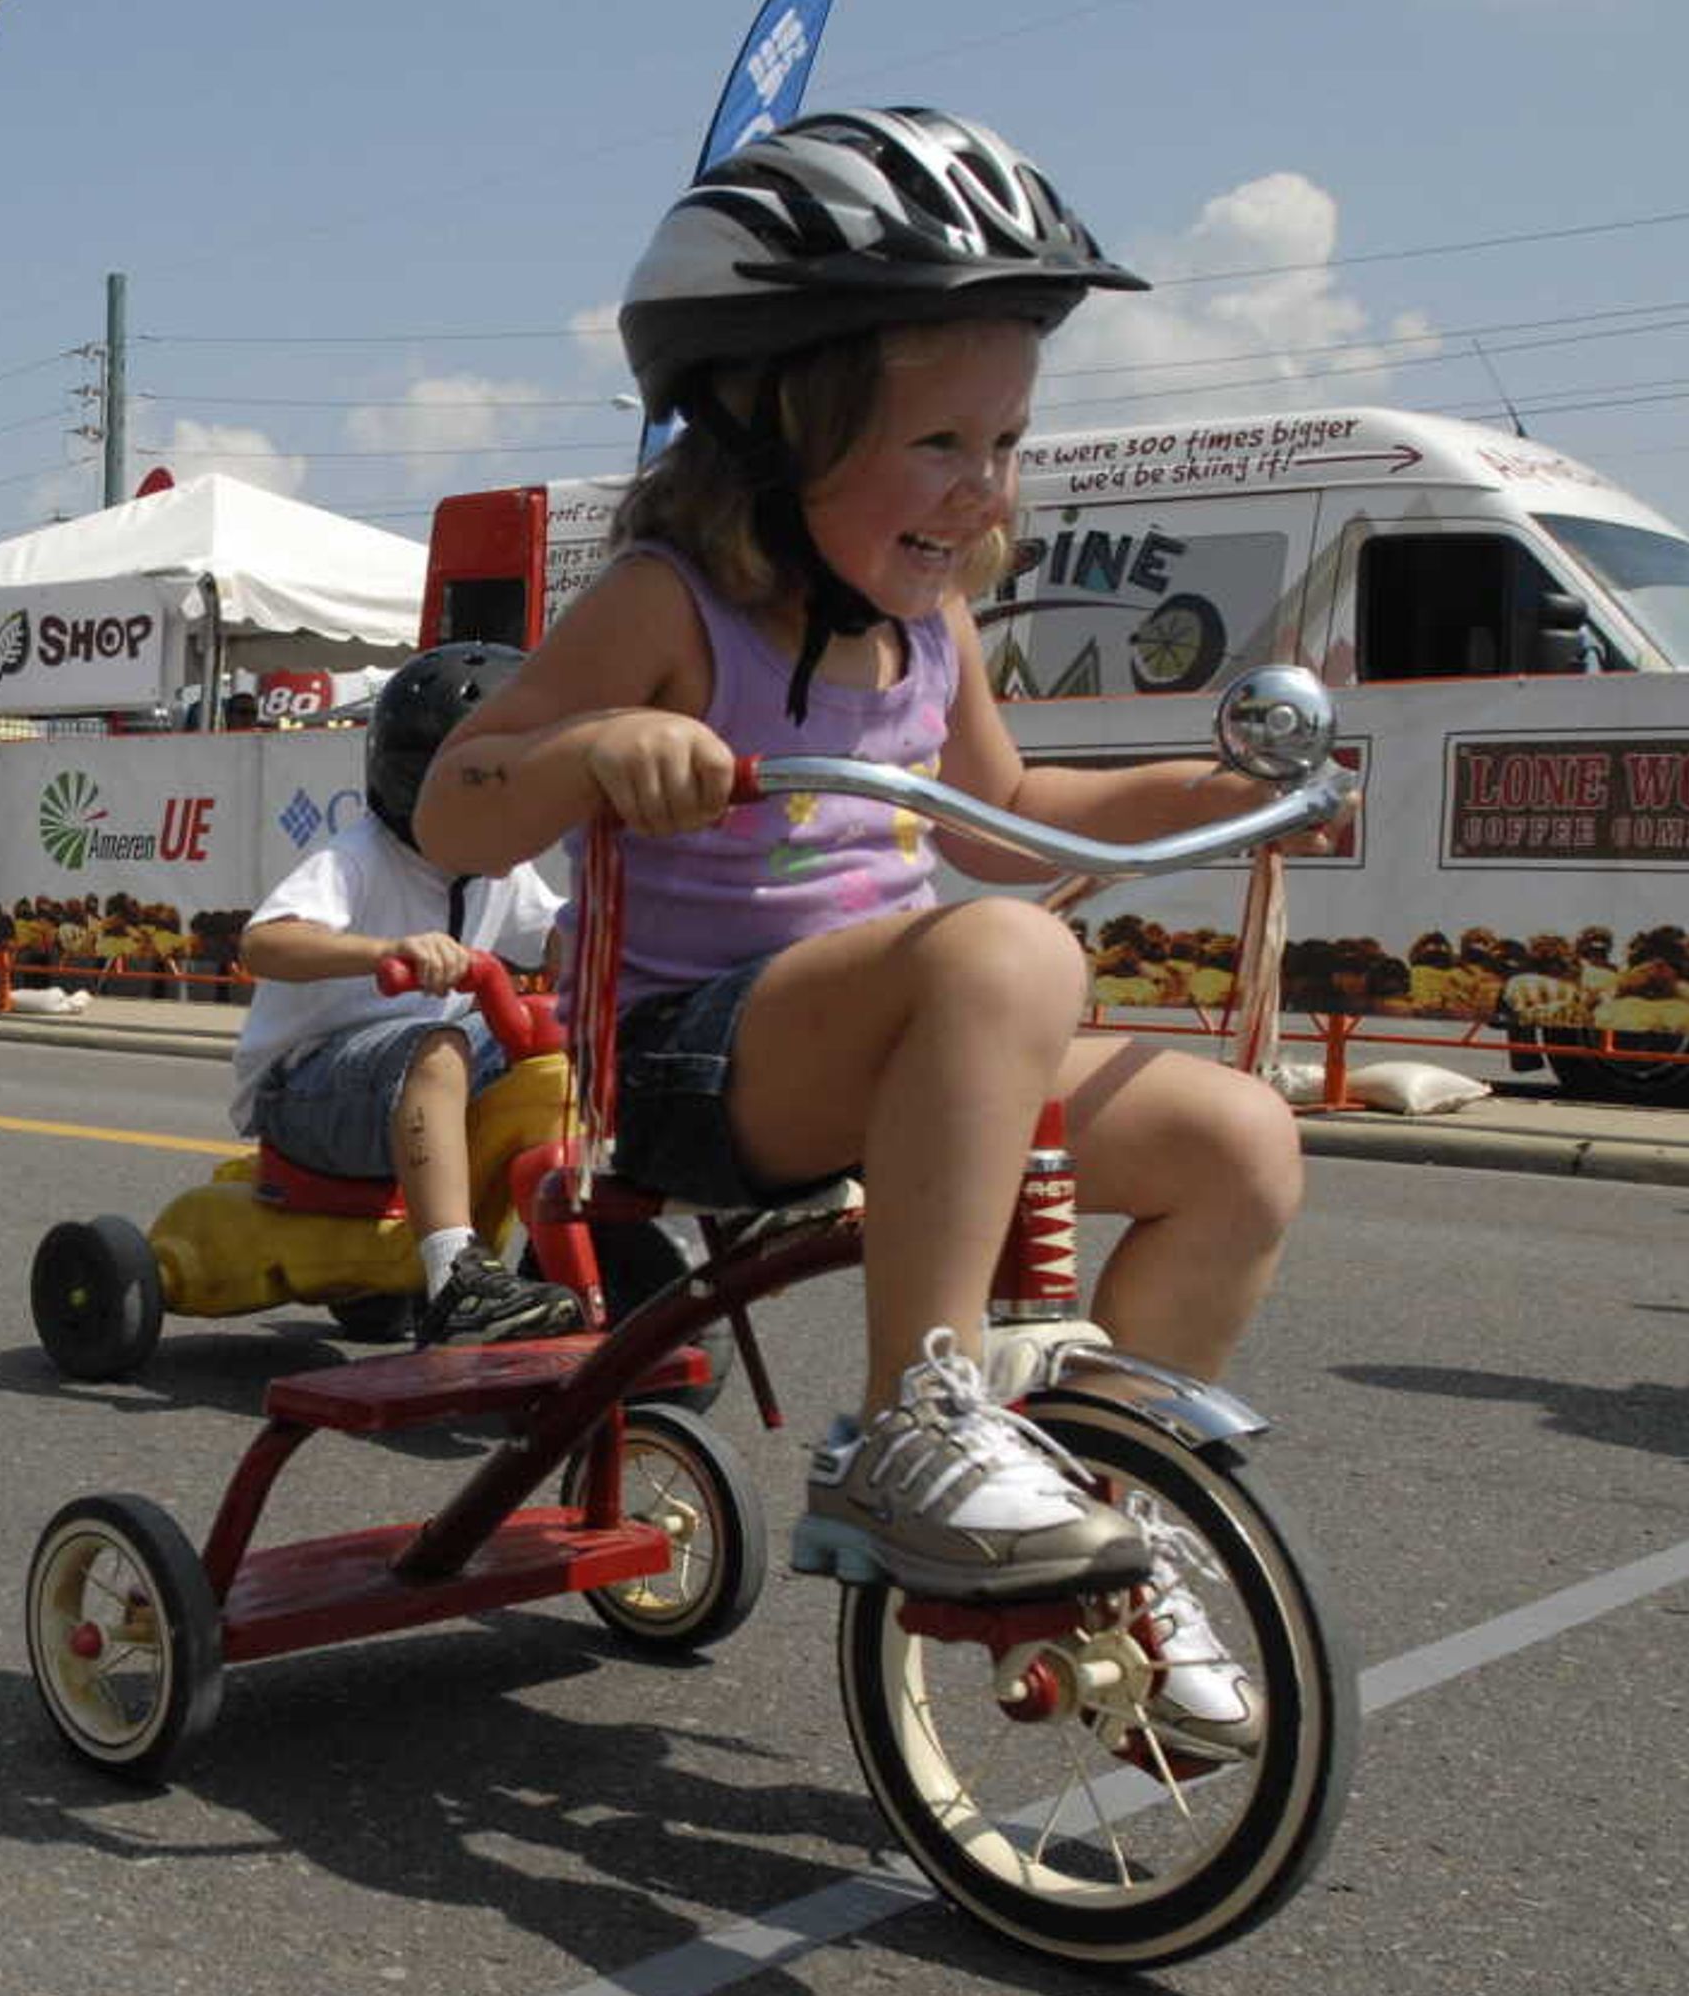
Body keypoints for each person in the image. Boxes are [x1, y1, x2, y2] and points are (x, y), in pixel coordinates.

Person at [417, 108, 1320, 1723]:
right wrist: (590, 748)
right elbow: (455, 802)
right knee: (1013, 950)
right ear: (778, 431)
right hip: (695, 1069)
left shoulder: (935, 627)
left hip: (902, 1047)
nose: (982, 491)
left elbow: (1018, 809)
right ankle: (918, 1423)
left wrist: (1208, 786)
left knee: (1240, 1144)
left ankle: (1109, 1516)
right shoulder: (662, 607)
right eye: (937, 445)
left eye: (1007, 442)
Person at [233, 643, 584, 1348]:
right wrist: (384, 952)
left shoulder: (495, 870)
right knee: (438, 1043)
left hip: (414, 1074)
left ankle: (559, 1260)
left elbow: (555, 937)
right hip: (304, 1091)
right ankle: (454, 1275)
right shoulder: (358, 858)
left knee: (564, 1045)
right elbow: (264, 943)